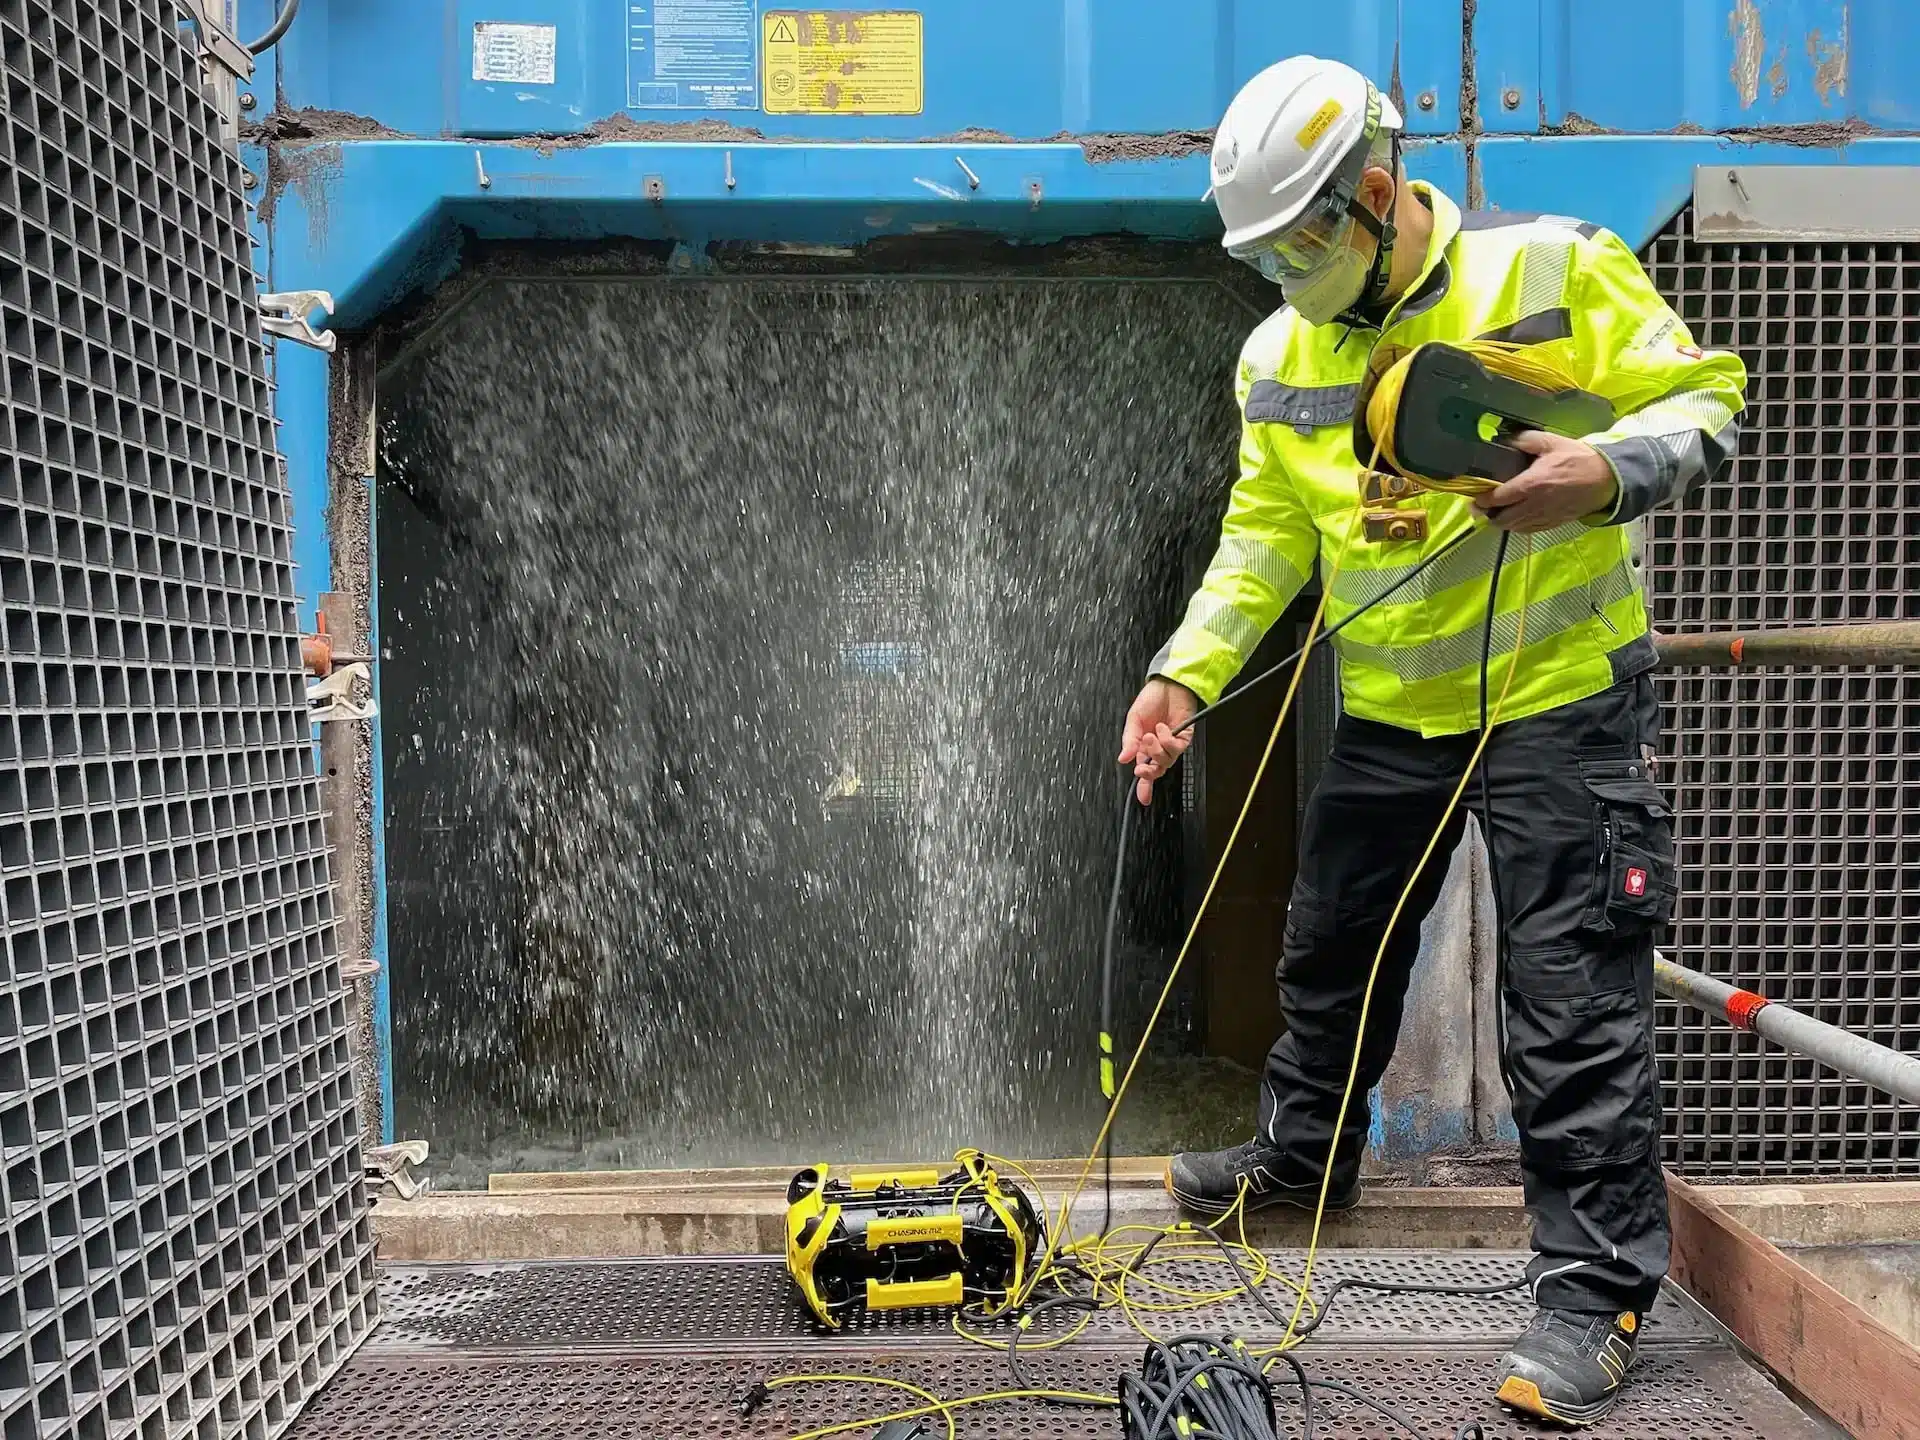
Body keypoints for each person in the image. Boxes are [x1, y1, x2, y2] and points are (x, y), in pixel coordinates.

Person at [1118, 56, 1746, 1427]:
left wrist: (1602, 471)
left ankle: (1591, 1299)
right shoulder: (1280, 356)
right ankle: (1306, 1159)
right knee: (1328, 949)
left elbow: (1705, 400)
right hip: (1395, 716)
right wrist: (1185, 672)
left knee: (1568, 1004)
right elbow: (1265, 538)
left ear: (1379, 195)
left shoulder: (1552, 275)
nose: (1285, 277)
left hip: (1558, 700)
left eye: (1299, 244)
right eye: (1263, 255)